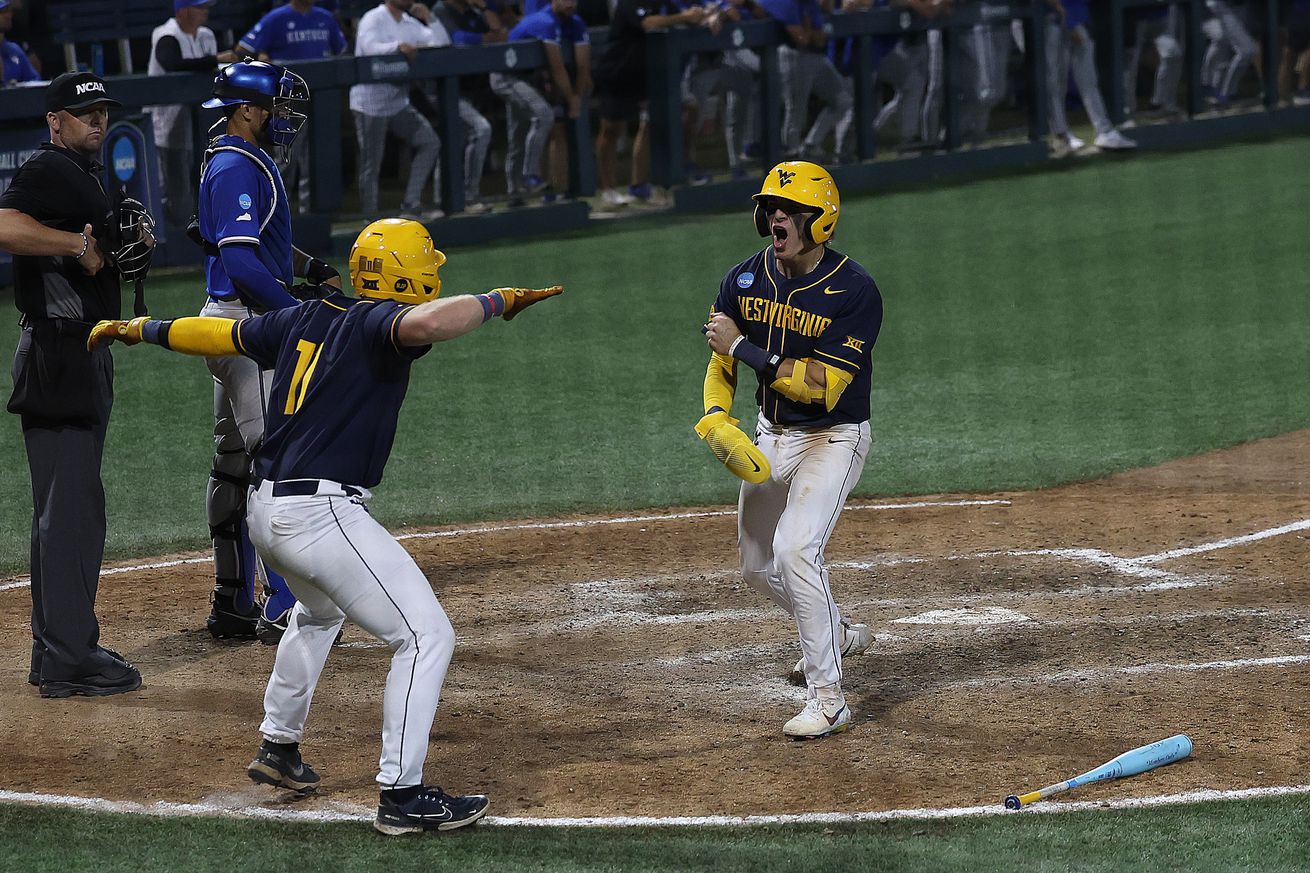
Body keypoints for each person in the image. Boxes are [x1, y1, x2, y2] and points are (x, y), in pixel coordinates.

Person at [86, 219, 563, 834]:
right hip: (318, 514)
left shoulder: (302, 318)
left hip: (265, 513)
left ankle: (278, 748)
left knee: (317, 612)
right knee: (425, 638)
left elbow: (218, 332)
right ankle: (402, 795)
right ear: (404, 272)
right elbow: (425, 323)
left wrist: (141, 329)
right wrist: (497, 301)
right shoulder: (377, 324)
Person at [698, 161, 881, 740]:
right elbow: (719, 361)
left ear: (818, 221)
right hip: (771, 436)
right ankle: (835, 629)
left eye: (791, 210)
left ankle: (829, 698)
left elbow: (819, 386)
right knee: (756, 566)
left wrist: (747, 349)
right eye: (771, 207)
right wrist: (715, 414)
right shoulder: (742, 280)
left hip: (833, 437)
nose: (776, 216)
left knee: (795, 549)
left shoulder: (854, 292)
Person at [0, 72, 154, 698]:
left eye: (101, 112)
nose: (97, 122)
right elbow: (4, 225)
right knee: (72, 514)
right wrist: (75, 245)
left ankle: (55, 649)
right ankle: (68, 655)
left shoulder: (84, 175)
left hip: (77, 350)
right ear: (55, 121)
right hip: (60, 352)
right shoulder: (45, 168)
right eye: (83, 113)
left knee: (65, 510)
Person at [194, 59, 338, 644]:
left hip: (232, 322)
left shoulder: (239, 160)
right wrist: (291, 310)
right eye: (278, 108)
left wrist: (308, 268)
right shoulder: (234, 165)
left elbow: (261, 244)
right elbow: (240, 261)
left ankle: (231, 604)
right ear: (248, 110)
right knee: (275, 464)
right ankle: (281, 606)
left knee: (234, 459)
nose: (286, 118)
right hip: (246, 327)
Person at [236, 0, 349, 214]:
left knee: (316, 159)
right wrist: (263, 60)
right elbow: (243, 49)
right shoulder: (276, 17)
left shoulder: (325, 17)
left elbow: (342, 50)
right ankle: (273, 211)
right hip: (288, 101)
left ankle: (312, 212)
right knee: (287, 159)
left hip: (322, 98)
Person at [592, 0, 707, 207]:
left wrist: (705, 17)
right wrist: (684, 17)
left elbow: (687, 15)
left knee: (658, 121)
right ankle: (608, 190)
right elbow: (648, 23)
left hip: (647, 75)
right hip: (618, 71)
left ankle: (643, 185)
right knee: (611, 130)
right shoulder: (627, 4)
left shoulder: (664, 3)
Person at [148, 0, 238, 231]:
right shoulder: (166, 34)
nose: (205, 11)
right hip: (167, 120)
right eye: (199, 7)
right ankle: (174, 236)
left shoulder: (206, 35)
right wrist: (216, 59)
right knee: (173, 184)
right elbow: (172, 63)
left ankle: (199, 231)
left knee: (200, 178)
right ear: (182, 11)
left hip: (200, 120)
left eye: (206, 7)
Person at [351, 0, 445, 221]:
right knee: (371, 163)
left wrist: (430, 18)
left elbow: (440, 42)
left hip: (398, 102)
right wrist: (397, 47)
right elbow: (369, 48)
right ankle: (369, 218)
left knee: (430, 142)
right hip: (369, 103)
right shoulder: (373, 18)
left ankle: (411, 205)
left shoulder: (408, 22)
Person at [493, 0, 592, 203]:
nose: (570, 3)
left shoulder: (575, 22)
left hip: (526, 78)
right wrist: (572, 98)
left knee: (519, 135)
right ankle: (529, 175)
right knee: (543, 115)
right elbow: (557, 68)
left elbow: (583, 66)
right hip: (505, 75)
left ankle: (515, 194)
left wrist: (577, 96)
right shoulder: (544, 21)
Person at [758, 0, 854, 162]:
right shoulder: (788, 5)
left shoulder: (813, 5)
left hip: (818, 57)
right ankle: (792, 156)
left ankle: (810, 145)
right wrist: (811, 31)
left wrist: (814, 30)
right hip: (795, 57)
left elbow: (820, 37)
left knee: (842, 101)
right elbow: (802, 39)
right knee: (796, 110)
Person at [1044, 0, 1136, 155]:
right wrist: (1069, 23)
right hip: (1053, 18)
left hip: (1076, 17)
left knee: (1087, 80)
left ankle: (1104, 131)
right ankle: (1062, 136)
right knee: (1055, 82)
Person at [0, 0, 40, 85]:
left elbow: (34, 80)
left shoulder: (14, 49)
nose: (8, 16)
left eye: (9, 11)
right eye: (1, 12)